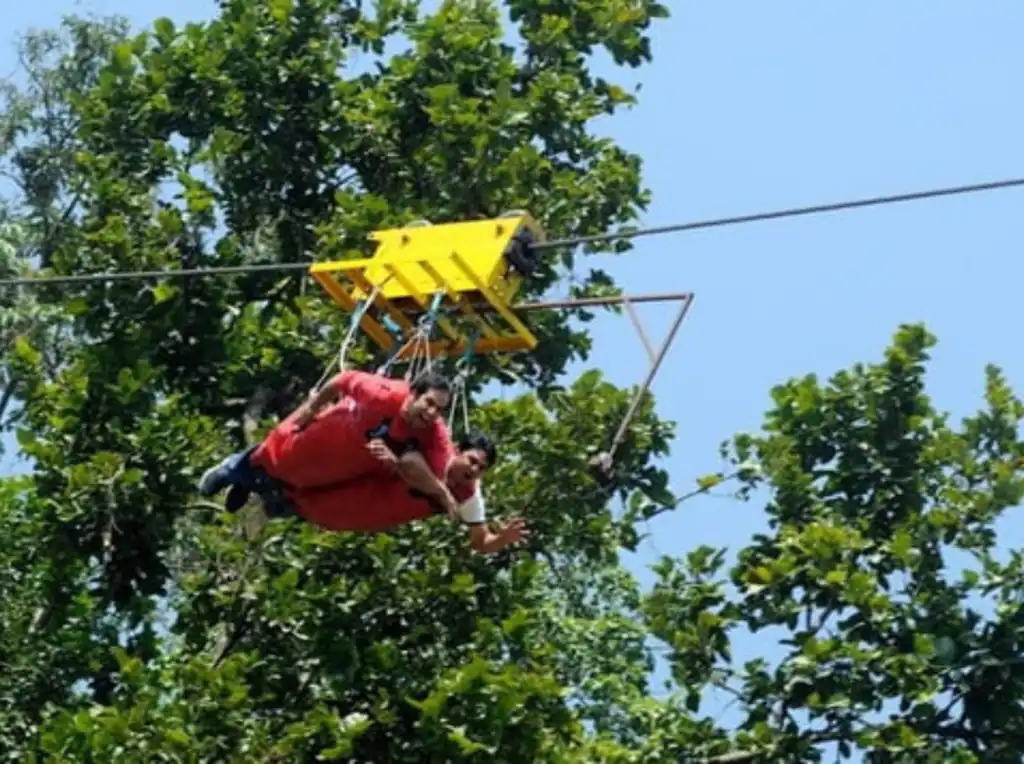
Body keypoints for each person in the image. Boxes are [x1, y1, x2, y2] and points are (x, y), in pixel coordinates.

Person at [199, 369, 458, 513]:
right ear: (413, 394)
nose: (432, 413)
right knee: (278, 453)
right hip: (327, 433)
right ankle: (232, 470)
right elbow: (342, 379)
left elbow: (448, 465)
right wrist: (312, 407)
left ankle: (248, 486)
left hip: (341, 465)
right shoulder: (383, 394)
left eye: (439, 410)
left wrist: (449, 496)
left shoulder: (431, 429)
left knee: (296, 486)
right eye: (429, 403)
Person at [287, 430, 529, 554]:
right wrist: (442, 492)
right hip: (372, 477)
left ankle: (288, 504)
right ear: (458, 450)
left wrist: (502, 539)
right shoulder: (439, 447)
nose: (474, 470)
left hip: (376, 508)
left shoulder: (469, 495)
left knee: (323, 512)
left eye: (481, 469)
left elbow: (480, 542)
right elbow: (410, 461)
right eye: (472, 460)